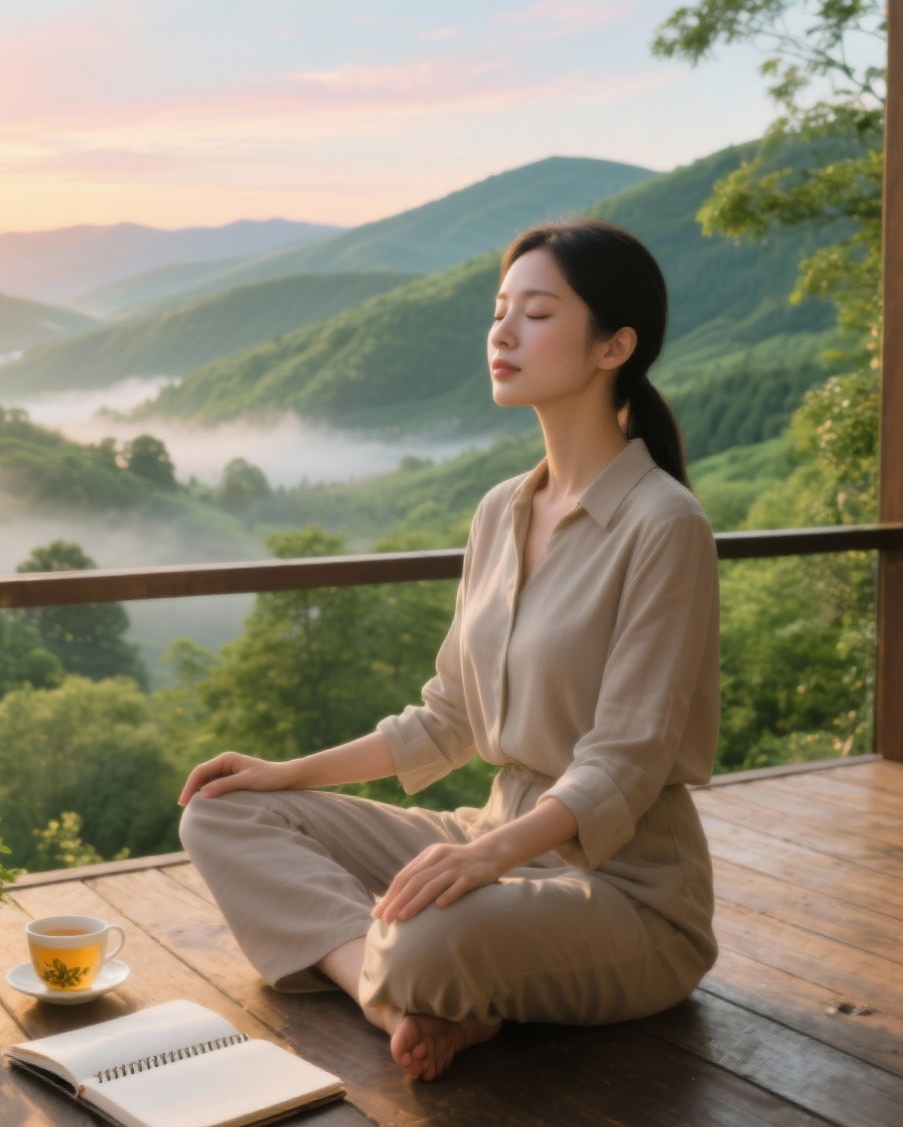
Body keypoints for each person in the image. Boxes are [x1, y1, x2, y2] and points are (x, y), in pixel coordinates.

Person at [179, 219, 720, 1082]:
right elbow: (448, 717)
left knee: (426, 930)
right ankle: (394, 1000)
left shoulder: (664, 525)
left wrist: (485, 861)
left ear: (616, 344)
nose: (503, 333)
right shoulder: (500, 509)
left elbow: (626, 761)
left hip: (627, 892)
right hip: (494, 831)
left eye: (536, 314)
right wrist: (285, 773)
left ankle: (401, 977)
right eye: (500, 310)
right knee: (221, 812)